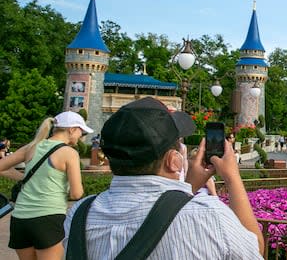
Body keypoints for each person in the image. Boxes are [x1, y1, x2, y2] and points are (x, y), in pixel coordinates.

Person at [63, 97, 263, 258]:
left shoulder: (79, 214)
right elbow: (255, 251)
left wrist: (188, 186)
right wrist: (232, 177)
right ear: (174, 160)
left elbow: (166, 211)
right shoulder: (210, 216)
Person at [0, 112, 91, 260]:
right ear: (71, 129)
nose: (81, 136)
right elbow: (76, 194)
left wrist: (24, 178)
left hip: (20, 219)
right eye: (82, 131)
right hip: (48, 219)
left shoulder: (31, 147)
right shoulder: (69, 153)